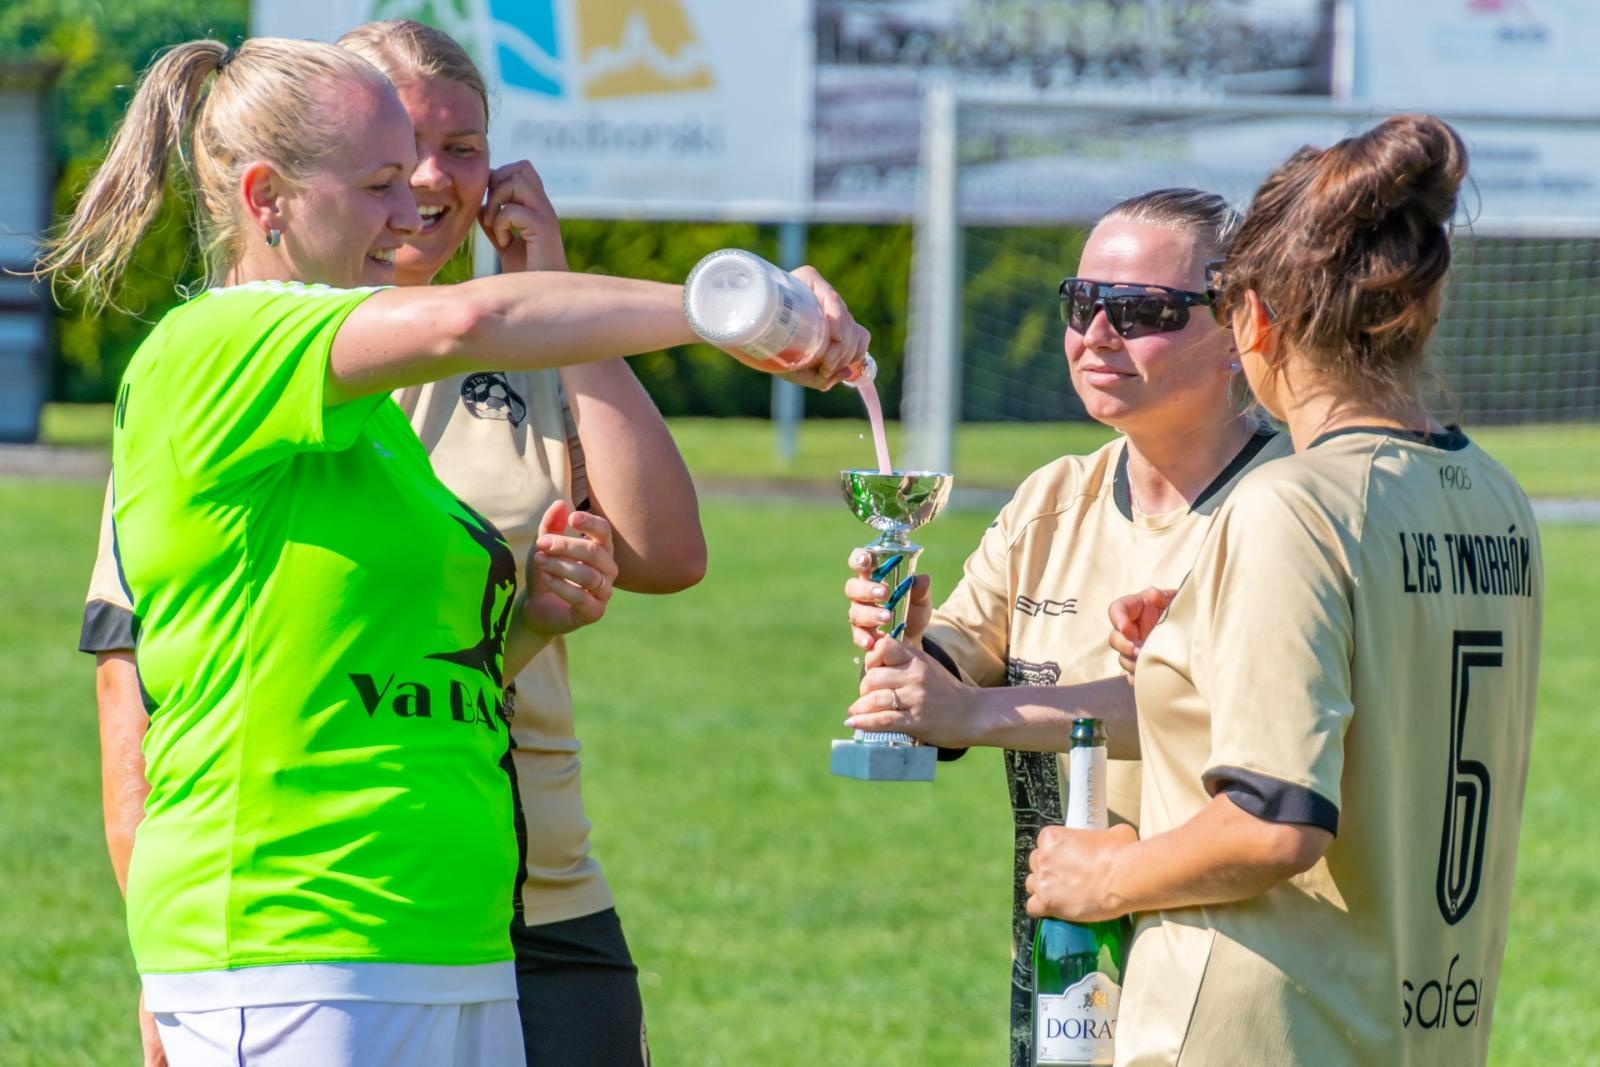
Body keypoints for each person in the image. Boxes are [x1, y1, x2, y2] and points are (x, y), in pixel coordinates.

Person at [47, 36, 867, 1066]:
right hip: (291, 932)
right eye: (382, 179)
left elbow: (396, 661)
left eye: (447, 155)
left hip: (442, 929)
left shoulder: (368, 423)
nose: (414, 204)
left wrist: (529, 619)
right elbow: (470, 317)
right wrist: (736, 308)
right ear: (267, 198)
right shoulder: (213, 347)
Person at [1023, 114, 1543, 1064]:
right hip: (1427, 1021)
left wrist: (1106, 876)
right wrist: (1191, 652)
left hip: (1263, 1024)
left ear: (1252, 318)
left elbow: (1276, 821)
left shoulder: (1286, 506)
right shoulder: (1498, 499)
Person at [842, 189, 1290, 1066]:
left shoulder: (1293, 504)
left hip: (1235, 988)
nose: (1098, 336)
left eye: (1144, 312)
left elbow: (1197, 710)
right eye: (1082, 305)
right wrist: (903, 651)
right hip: (1064, 977)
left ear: (1240, 328)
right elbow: (953, 671)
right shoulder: (1054, 497)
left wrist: (970, 713)